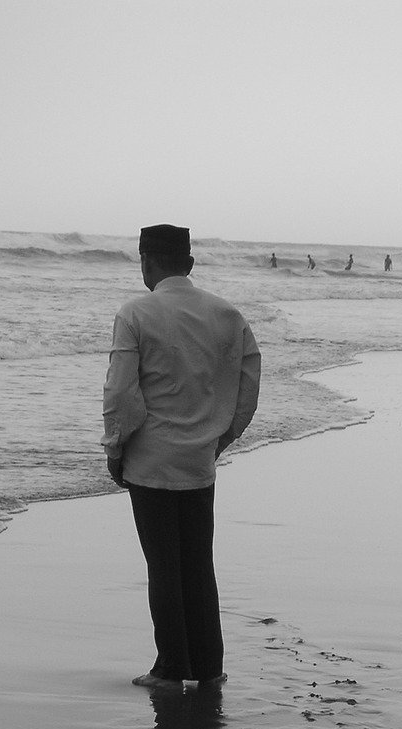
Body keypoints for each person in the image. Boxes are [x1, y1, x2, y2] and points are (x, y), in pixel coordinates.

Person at [102, 224, 261, 691]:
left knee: (163, 567)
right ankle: (208, 667)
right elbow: (248, 385)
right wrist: (221, 437)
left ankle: (171, 668)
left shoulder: (135, 313)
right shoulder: (226, 314)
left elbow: (120, 391)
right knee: (197, 566)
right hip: (199, 461)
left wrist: (115, 446)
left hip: (151, 459)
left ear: (147, 262)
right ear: (189, 265)